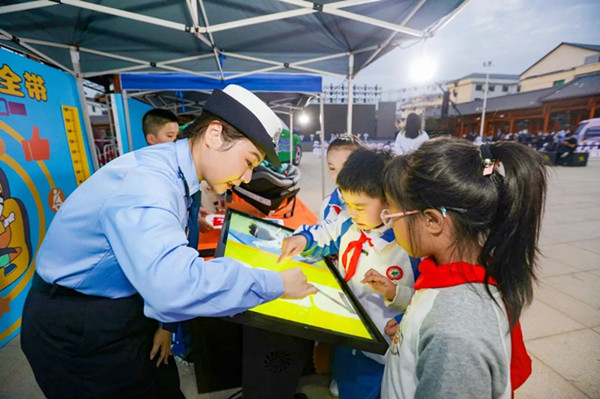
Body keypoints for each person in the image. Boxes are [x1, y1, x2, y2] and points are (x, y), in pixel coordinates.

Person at [21, 84, 316, 399]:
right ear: (215, 135)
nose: (245, 178)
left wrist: (165, 324)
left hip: (127, 307)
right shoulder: (148, 185)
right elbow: (173, 286)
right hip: (78, 325)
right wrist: (276, 283)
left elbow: (168, 262)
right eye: (248, 161)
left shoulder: (177, 171)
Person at [380, 137, 542, 398]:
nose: (389, 224)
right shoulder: (453, 275)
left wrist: (438, 342)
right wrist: (414, 338)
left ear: (432, 220)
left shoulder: (455, 334)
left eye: (392, 215)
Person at [279, 149, 416, 399]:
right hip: (348, 333)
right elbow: (325, 233)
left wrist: (397, 293)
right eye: (348, 204)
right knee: (346, 379)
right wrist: (303, 238)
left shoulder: (408, 245)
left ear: (389, 199)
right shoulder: (348, 224)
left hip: (382, 346)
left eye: (360, 207)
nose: (352, 213)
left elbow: (424, 299)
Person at [320, 133, 363, 223]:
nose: (339, 175)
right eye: (332, 168)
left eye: (345, 167)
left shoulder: (375, 200)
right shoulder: (327, 204)